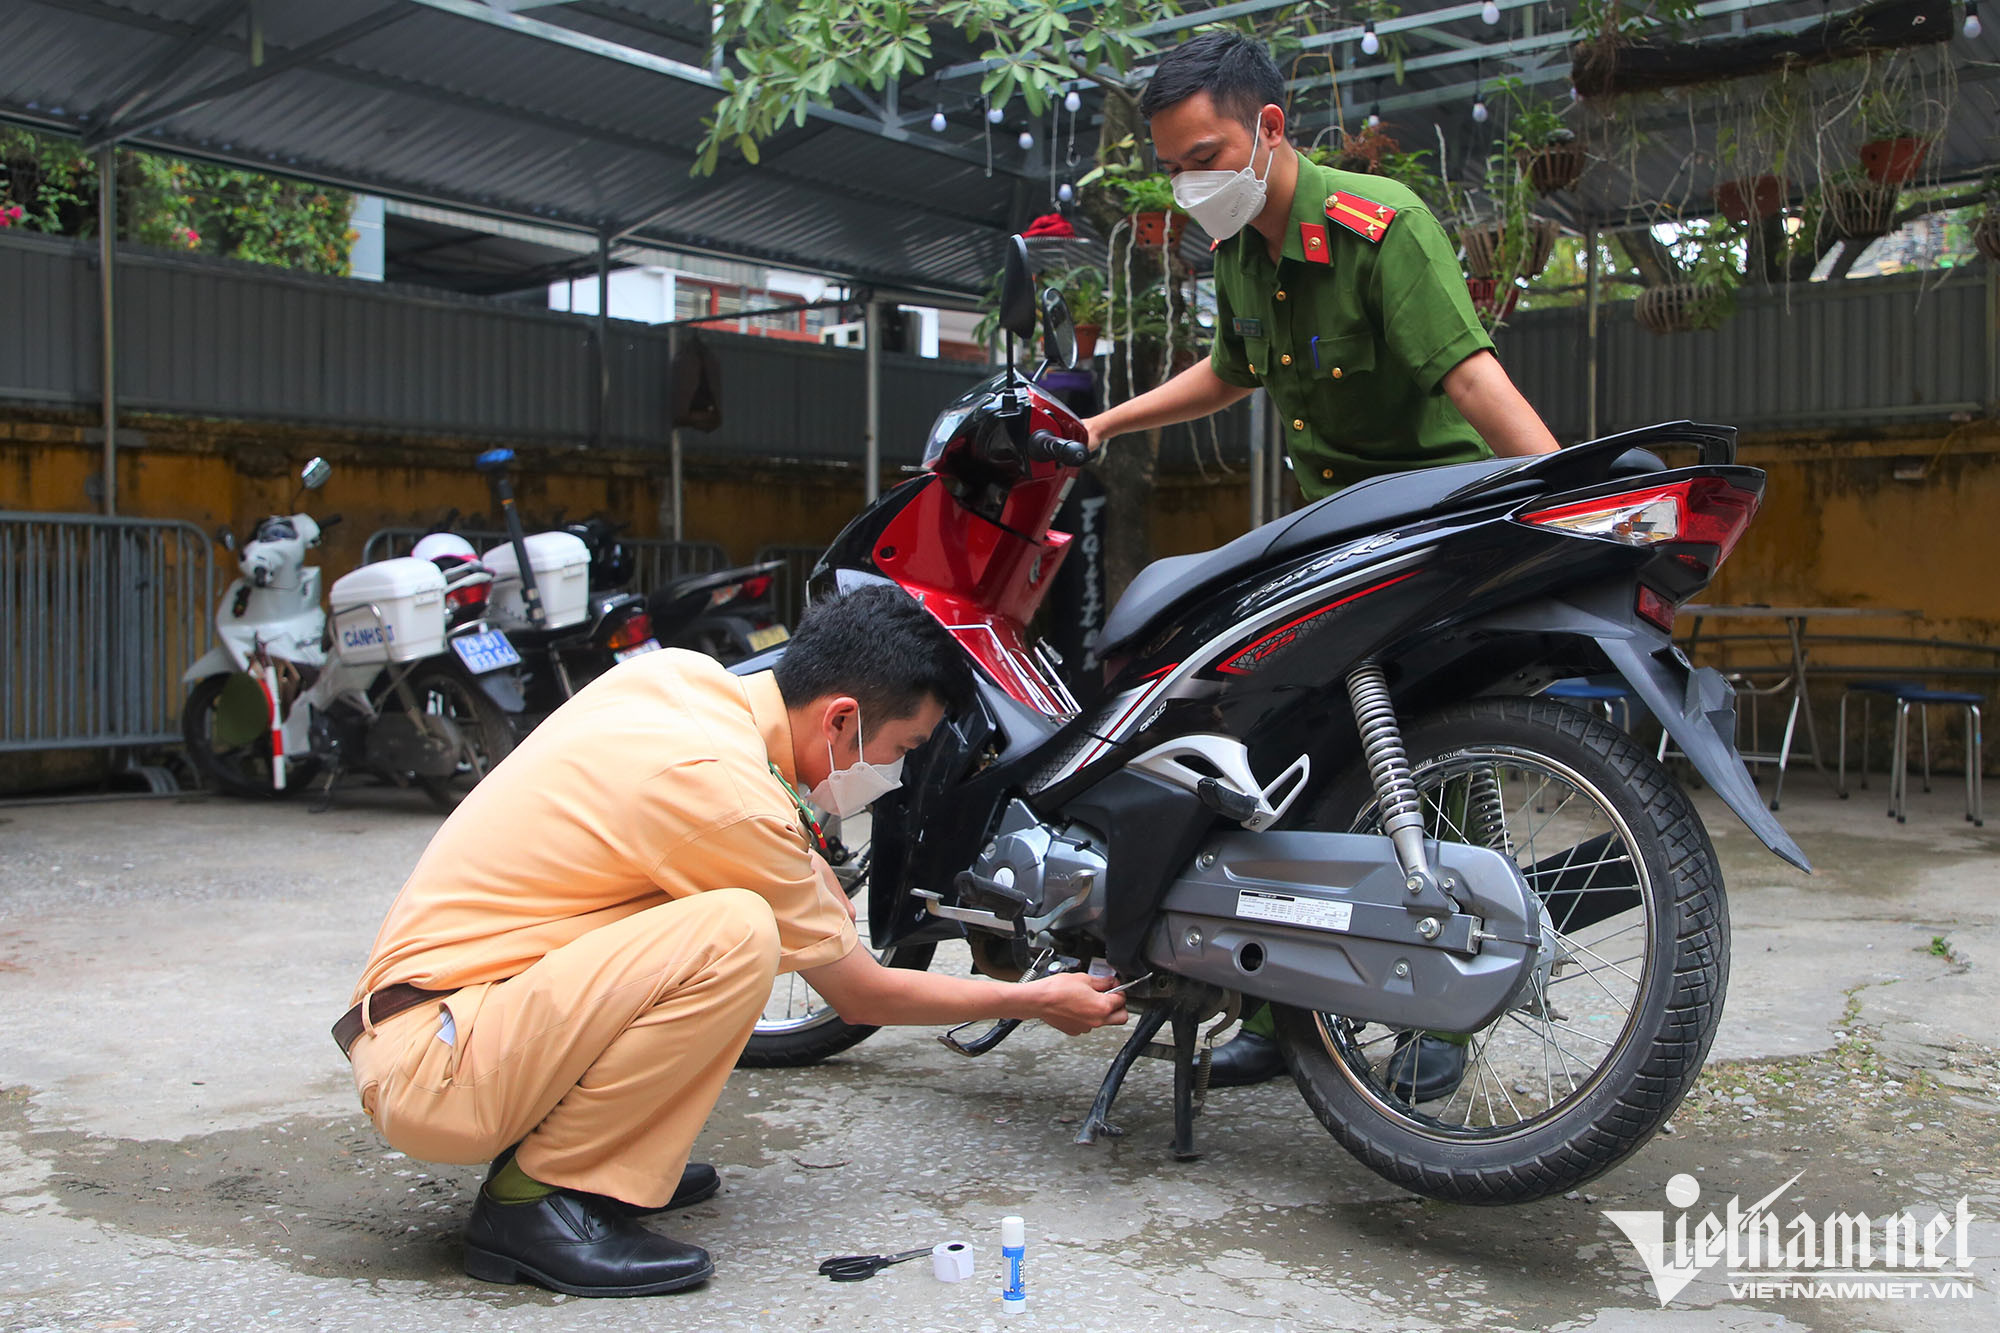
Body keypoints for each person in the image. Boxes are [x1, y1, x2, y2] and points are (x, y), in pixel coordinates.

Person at [334, 585, 1128, 1298]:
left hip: (441, 1013)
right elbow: (862, 992)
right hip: (437, 1061)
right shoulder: (730, 794)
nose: (893, 773)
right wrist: (1032, 997)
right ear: (842, 718)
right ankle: (541, 1200)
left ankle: (604, 1157)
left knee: (720, 915)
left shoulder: (683, 680)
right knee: (735, 933)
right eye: (902, 751)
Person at [1081, 32, 1562, 1093]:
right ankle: (1272, 1003)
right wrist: (1107, 422)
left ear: (1266, 128)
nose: (1189, 182)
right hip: (1330, 533)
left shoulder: (1380, 226)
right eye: (1172, 166)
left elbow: (1471, 380)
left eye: (1202, 153)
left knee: (1432, 758)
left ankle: (1438, 1015)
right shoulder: (1243, 246)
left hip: (1430, 522)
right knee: (1281, 747)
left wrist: (1565, 500)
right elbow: (1227, 370)